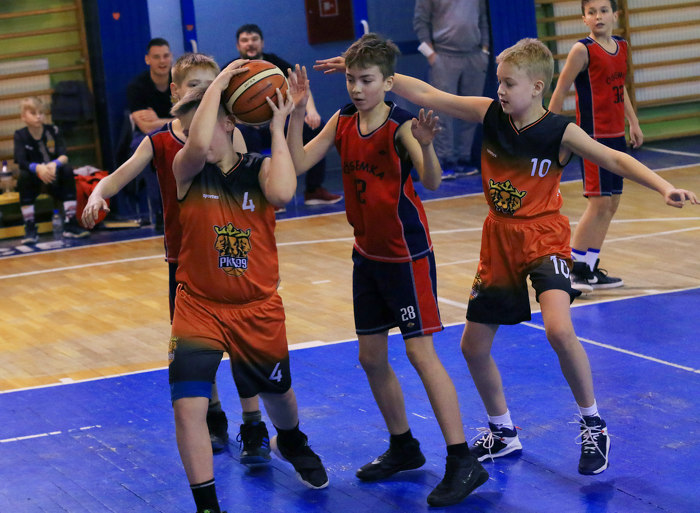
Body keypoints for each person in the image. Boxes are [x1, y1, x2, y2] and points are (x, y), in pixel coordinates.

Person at [316, 37, 697, 477]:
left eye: (508, 83)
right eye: (498, 81)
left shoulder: (560, 131)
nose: (499, 90)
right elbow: (429, 95)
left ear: (536, 87)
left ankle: (592, 422)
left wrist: (663, 186)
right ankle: (502, 430)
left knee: (558, 329)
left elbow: (614, 158)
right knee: (472, 346)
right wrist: (371, 70)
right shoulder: (490, 114)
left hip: (544, 237)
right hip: (499, 238)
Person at [289, 34, 488, 508]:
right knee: (371, 357)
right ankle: (404, 445)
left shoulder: (401, 126)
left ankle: (462, 459)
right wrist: (295, 112)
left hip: (406, 256)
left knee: (420, 353)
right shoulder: (341, 120)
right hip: (367, 255)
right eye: (352, 80)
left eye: (366, 80)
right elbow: (297, 162)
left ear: (388, 82)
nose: (357, 88)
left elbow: (432, 181)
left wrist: (427, 146)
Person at [83, 53, 268, 464]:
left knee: (242, 348)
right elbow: (119, 175)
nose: (203, 93)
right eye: (194, 86)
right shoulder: (159, 141)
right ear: (175, 92)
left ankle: (254, 423)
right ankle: (215, 417)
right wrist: (97, 194)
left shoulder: (231, 135)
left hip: (230, 256)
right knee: (198, 349)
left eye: (211, 85)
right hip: (183, 264)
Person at [169, 61, 328, 513]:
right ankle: (207, 506)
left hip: (255, 308)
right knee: (187, 407)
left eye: (203, 123)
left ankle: (291, 440)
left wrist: (280, 125)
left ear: (228, 122)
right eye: (189, 129)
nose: (193, 135)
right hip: (198, 307)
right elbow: (195, 144)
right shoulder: (187, 170)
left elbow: (282, 194)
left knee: (278, 395)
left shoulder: (259, 169)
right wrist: (220, 81)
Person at [549, 0, 642, 293]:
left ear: (615, 15)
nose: (598, 16)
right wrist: (547, 131)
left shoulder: (622, 46)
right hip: (592, 139)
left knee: (611, 203)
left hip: (616, 137)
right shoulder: (582, 50)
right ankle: (573, 270)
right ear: (584, 18)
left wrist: (633, 122)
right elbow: (561, 89)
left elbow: (620, 87)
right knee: (599, 203)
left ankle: (588, 268)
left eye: (603, 10)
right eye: (592, 12)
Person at [233, 23, 342, 206]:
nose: (250, 43)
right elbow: (223, 106)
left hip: (279, 121)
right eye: (245, 40)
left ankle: (314, 190)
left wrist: (311, 111)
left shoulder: (273, 63)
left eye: (254, 39)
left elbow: (301, 86)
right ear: (238, 46)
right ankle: (264, 194)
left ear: (262, 43)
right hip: (252, 128)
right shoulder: (233, 69)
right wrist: (244, 120)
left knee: (315, 127)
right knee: (246, 135)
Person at [413, 0, 490, 179]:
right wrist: (431, 55)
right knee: (441, 113)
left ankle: (464, 159)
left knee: (472, 111)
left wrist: (484, 51)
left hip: (475, 56)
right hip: (444, 56)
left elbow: (483, 19)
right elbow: (420, 21)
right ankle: (444, 161)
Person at [13, 96, 89, 243]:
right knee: (23, 176)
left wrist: (53, 164)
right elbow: (21, 161)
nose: (38, 116)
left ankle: (70, 223)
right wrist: (38, 168)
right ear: (23, 117)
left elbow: (64, 156)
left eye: (41, 113)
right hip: (34, 176)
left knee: (67, 170)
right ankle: (30, 226)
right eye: (33, 113)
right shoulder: (20, 135)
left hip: (53, 174)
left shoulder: (53, 130)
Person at [125, 37, 175, 229]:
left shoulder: (181, 82)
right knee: (148, 150)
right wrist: (173, 119)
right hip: (147, 137)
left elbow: (192, 119)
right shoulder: (137, 87)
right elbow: (146, 128)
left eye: (166, 56)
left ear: (171, 57)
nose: (162, 61)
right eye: (156, 57)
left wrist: (158, 121)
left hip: (180, 133)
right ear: (147, 59)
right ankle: (161, 211)